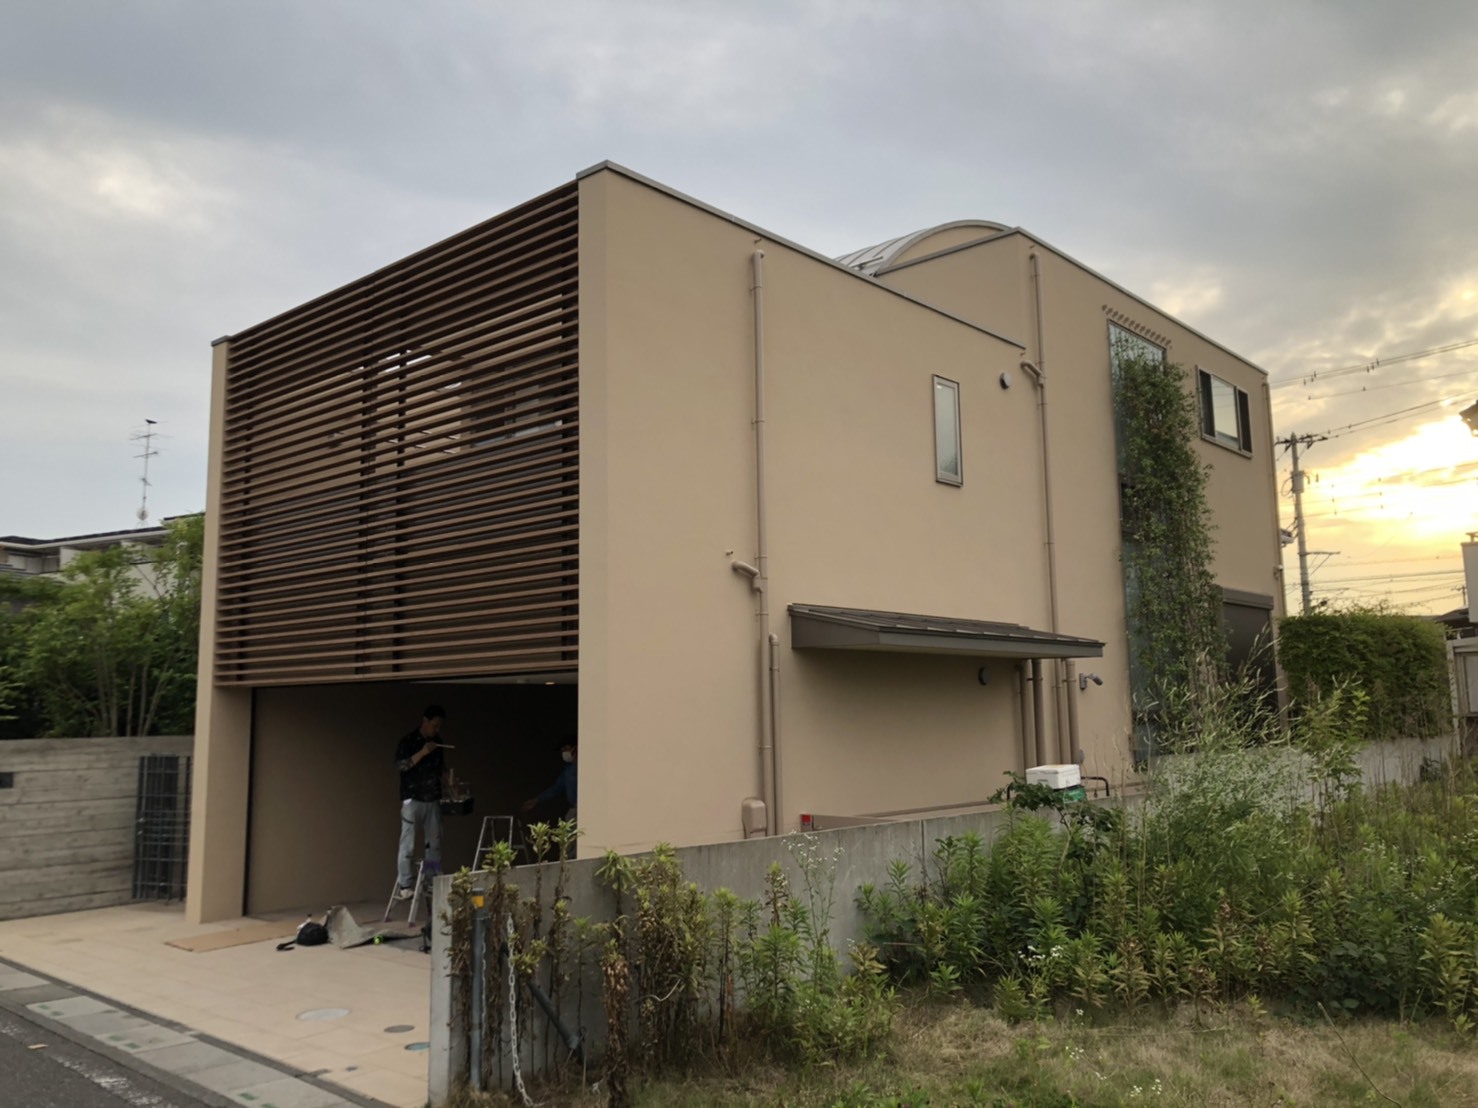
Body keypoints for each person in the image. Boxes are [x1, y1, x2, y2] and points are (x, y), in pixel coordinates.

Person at [394, 705, 448, 899]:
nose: (436, 730)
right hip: (412, 797)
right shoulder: (408, 741)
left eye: (439, 727)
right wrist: (423, 752)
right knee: (407, 843)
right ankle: (405, 884)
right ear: (425, 721)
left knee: (434, 844)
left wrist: (450, 782)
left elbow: (441, 768)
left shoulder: (438, 742)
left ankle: (431, 880)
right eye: (434, 725)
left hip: (432, 798)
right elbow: (402, 766)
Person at [521, 739, 577, 823]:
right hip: (574, 810)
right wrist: (536, 800)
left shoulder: (589, 765)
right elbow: (555, 789)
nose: (563, 751)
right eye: (562, 750)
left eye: (565, 748)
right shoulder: (568, 770)